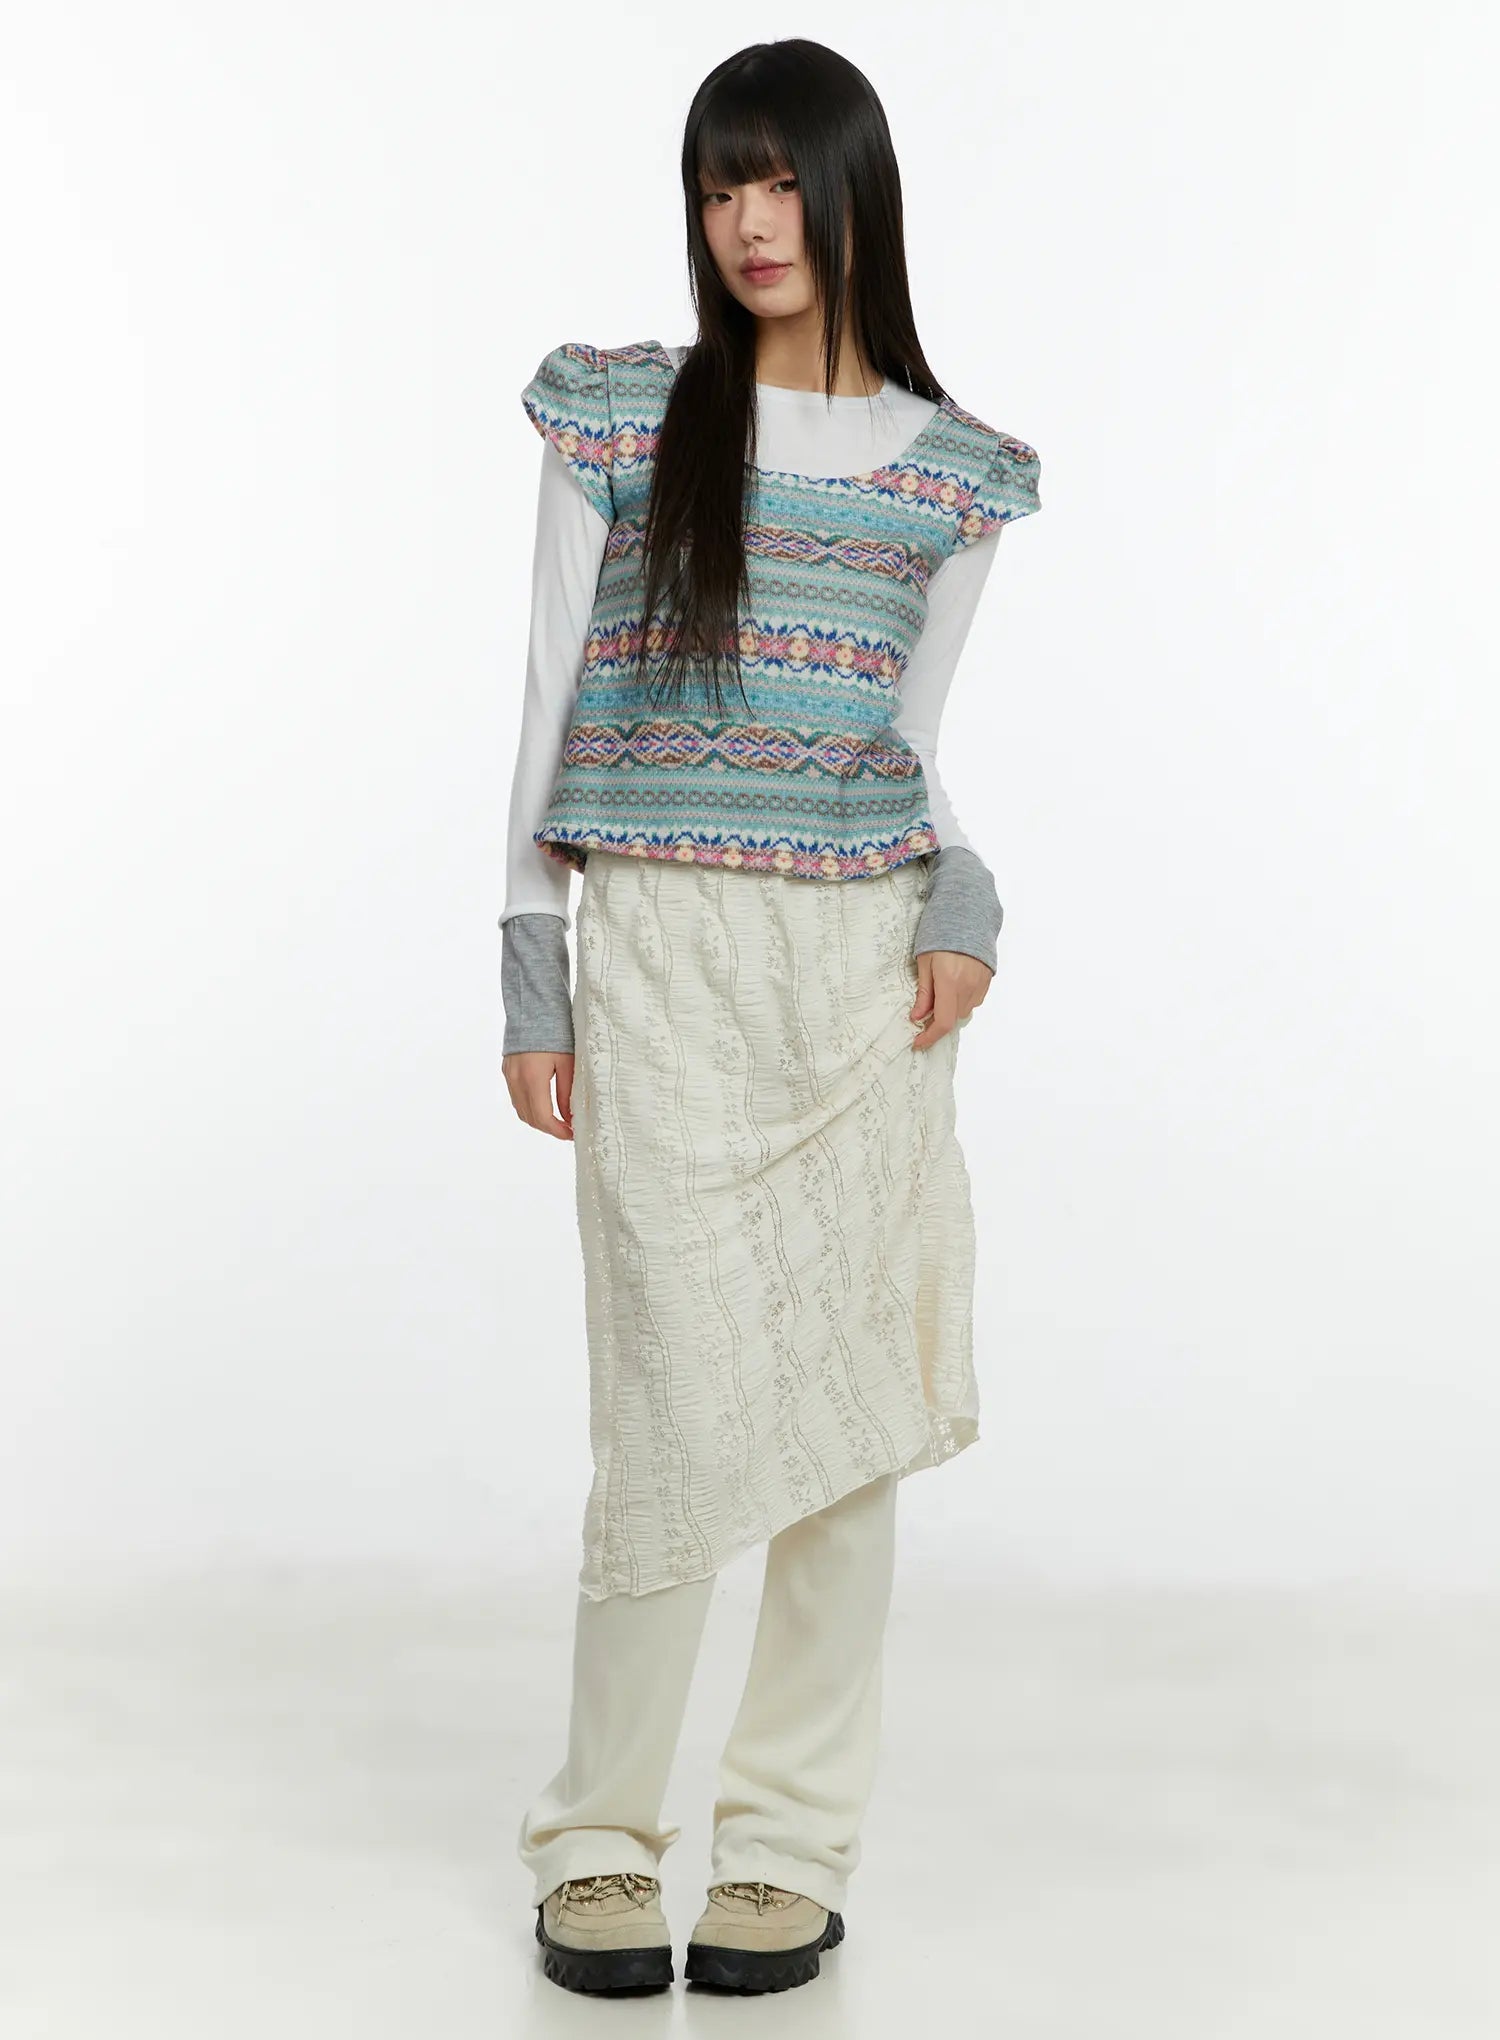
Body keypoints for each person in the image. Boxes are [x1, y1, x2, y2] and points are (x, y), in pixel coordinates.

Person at [499, 37, 1042, 1997]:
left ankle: (791, 1844)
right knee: (663, 1410)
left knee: (840, 1420)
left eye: (783, 181)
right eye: (720, 185)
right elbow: (547, 707)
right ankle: (598, 1836)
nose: (750, 221)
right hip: (664, 962)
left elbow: (911, 749)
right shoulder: (623, 420)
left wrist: (968, 900)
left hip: (863, 975)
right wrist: (532, 959)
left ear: (855, 193)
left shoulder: (954, 474)